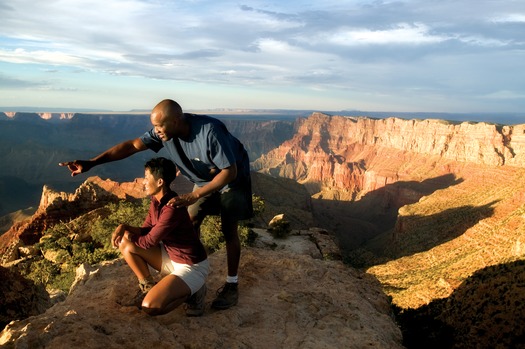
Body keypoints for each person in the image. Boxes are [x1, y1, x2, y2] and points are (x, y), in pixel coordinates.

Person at [60, 99, 253, 310]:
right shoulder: (164, 133)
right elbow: (132, 146)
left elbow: (229, 171)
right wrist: (92, 162)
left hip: (232, 179)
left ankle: (231, 285)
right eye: (154, 126)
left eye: (160, 126)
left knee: (229, 229)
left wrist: (194, 195)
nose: (156, 131)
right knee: (191, 219)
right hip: (203, 179)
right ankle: (190, 280)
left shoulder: (209, 131)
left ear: (177, 120)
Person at [112, 157, 208, 316]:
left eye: (146, 177)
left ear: (160, 182)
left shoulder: (172, 208)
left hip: (191, 266)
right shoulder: (156, 201)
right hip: (171, 257)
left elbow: (149, 241)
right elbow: (147, 229)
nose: (143, 182)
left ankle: (194, 293)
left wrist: (129, 234)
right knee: (125, 242)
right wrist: (125, 228)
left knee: (150, 307)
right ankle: (148, 288)